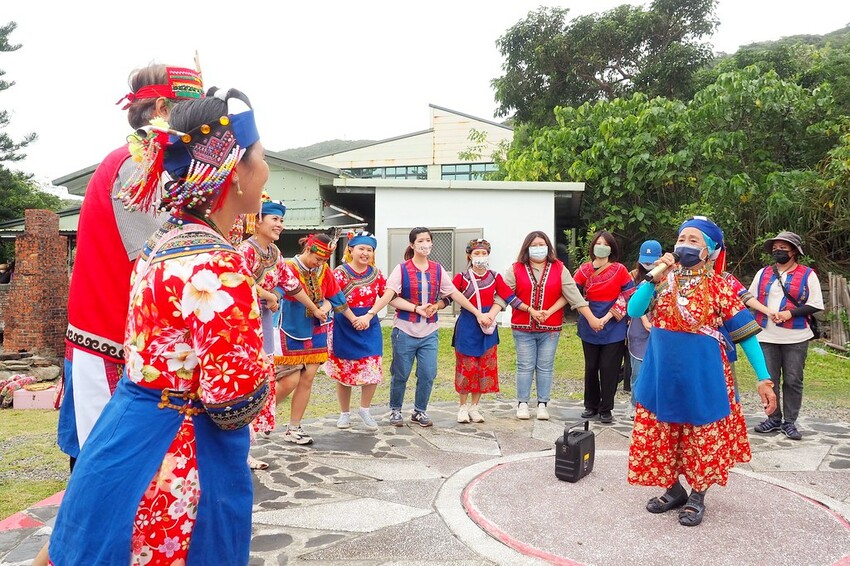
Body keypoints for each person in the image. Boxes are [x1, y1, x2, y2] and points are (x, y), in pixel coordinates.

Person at [43, 87, 272, 565]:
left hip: (126, 433)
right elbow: (231, 401)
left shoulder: (165, 241)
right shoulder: (218, 265)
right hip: (181, 455)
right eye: (262, 156)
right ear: (235, 172)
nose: (266, 169)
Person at [58, 65, 204, 471]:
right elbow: (159, 261)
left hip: (127, 334)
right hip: (110, 334)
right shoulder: (137, 163)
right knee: (108, 462)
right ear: (162, 109)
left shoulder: (156, 163)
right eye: (191, 109)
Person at [627, 216, 776, 528]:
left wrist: (763, 378)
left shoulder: (720, 287)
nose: (685, 245)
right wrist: (653, 278)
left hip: (702, 375)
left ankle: (697, 495)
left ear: (709, 250)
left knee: (702, 435)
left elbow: (746, 335)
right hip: (662, 373)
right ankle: (673, 490)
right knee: (661, 432)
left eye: (694, 240)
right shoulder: (662, 281)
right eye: (682, 239)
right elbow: (634, 310)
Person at [238, 196, 324, 467]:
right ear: (257, 221)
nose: (280, 225)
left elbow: (292, 286)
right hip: (243, 324)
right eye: (274, 219)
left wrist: (315, 308)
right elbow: (239, 281)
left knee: (260, 383)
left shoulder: (274, 252)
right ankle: (239, 451)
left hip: (263, 324)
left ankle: (245, 448)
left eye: (282, 220)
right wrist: (268, 294)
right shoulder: (245, 250)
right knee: (245, 384)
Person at [386, 227, 492, 427]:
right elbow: (390, 297)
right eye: (420, 241)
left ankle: (419, 411)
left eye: (428, 240)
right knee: (400, 373)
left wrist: (477, 313)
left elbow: (453, 294)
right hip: (405, 329)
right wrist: (415, 308)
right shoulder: (401, 269)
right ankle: (395, 409)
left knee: (428, 373)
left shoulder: (437, 269)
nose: (425, 244)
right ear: (412, 245)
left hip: (429, 331)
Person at [502, 231, 602, 420]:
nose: (538, 248)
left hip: (550, 328)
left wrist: (591, 319)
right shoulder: (516, 269)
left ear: (548, 247)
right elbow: (505, 294)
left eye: (542, 244)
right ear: (526, 248)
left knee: (545, 366)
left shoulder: (559, 268)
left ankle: (542, 404)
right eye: (534, 245)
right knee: (524, 365)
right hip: (523, 326)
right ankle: (522, 403)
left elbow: (572, 293)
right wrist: (492, 314)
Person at [325, 230, 418, 431]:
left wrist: (416, 308)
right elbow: (333, 298)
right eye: (361, 248)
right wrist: (352, 318)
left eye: (369, 250)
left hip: (369, 324)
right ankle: (344, 413)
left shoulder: (376, 274)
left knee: (372, 367)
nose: (365, 253)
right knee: (344, 371)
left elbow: (389, 297)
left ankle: (365, 410)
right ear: (351, 250)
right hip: (345, 323)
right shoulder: (339, 273)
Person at [277, 233, 362, 445]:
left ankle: (294, 427)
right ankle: (259, 419)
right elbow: (279, 292)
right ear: (308, 249)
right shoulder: (288, 267)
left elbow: (334, 296)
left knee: (308, 378)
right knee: (288, 381)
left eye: (324, 260)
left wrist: (329, 308)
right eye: (318, 258)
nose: (320, 263)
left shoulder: (323, 270)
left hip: (317, 328)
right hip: (291, 328)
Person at [749, 231, 823, 441]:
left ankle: (789, 421)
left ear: (794, 252)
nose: (778, 251)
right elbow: (749, 298)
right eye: (775, 248)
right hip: (766, 335)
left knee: (793, 380)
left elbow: (815, 304)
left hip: (796, 337)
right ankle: (773, 419)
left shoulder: (808, 274)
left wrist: (789, 313)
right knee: (769, 379)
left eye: (783, 248)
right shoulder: (763, 273)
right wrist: (767, 312)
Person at [452, 238, 524, 423]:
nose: (480, 256)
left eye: (484, 253)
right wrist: (435, 306)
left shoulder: (494, 277)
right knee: (467, 368)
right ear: (469, 256)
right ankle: (462, 407)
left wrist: (530, 310)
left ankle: (474, 407)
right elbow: (448, 296)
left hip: (487, 327)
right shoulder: (462, 277)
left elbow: (509, 297)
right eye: (476, 253)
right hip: (467, 327)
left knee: (483, 369)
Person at [573, 230, 636, 423]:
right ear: (592, 247)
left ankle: (606, 408)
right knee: (591, 366)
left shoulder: (620, 270)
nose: (601, 246)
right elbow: (573, 293)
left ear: (611, 248)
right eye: (598, 243)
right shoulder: (583, 270)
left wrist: (608, 316)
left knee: (609, 367)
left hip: (614, 323)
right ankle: (590, 405)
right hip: (589, 321)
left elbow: (629, 294)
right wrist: (589, 315)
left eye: (605, 244)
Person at [625, 239, 662, 419]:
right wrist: (645, 321)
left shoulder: (667, 277)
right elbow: (634, 305)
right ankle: (635, 405)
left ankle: (654, 406)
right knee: (638, 372)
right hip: (639, 330)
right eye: (645, 261)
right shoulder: (633, 277)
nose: (648, 264)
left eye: (652, 261)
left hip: (659, 330)